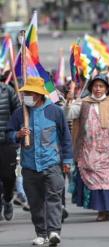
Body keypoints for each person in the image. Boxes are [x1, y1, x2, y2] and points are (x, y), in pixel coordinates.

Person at [6, 77, 73, 246]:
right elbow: (8, 133)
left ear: (39, 94)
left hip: (51, 164)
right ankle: (41, 232)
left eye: (30, 93)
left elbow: (65, 136)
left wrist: (67, 160)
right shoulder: (19, 113)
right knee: (35, 202)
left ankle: (53, 232)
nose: (27, 96)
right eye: (25, 93)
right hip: (29, 166)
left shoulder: (54, 111)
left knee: (54, 198)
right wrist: (17, 135)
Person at [64, 73, 109, 221]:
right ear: (91, 87)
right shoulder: (83, 102)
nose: (98, 89)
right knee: (95, 178)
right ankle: (101, 209)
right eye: (95, 86)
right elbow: (68, 114)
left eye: (101, 86)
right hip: (90, 149)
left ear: (107, 88)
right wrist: (68, 102)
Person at [0, 75, 21, 221]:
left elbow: (18, 112)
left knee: (8, 177)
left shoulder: (7, 90)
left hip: (6, 142)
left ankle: (7, 199)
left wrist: (16, 133)